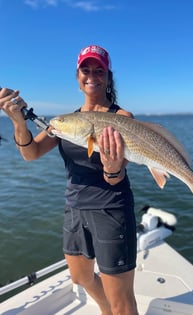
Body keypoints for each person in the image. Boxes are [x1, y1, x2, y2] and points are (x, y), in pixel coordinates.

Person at [0, 45, 139, 315]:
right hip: (74, 207)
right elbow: (32, 153)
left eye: (99, 70)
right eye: (86, 69)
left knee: (122, 302)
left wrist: (111, 168)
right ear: (77, 77)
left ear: (108, 77)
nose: (92, 75)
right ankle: (104, 310)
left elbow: (117, 175)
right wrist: (18, 122)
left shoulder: (121, 118)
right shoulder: (68, 122)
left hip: (111, 208)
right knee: (80, 278)